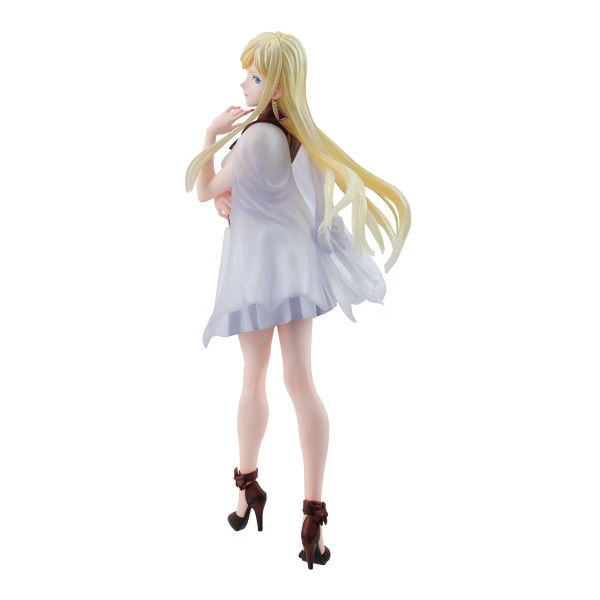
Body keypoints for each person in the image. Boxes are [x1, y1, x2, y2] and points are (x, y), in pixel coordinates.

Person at [184, 31, 411, 569]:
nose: (244, 84)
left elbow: (205, 188)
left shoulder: (255, 137)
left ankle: (247, 487)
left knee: (254, 378)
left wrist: (211, 135)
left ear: (278, 84)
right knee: (301, 382)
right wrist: (237, 197)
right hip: (294, 271)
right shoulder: (297, 136)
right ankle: (313, 515)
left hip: (255, 273)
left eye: (255, 77)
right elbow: (297, 200)